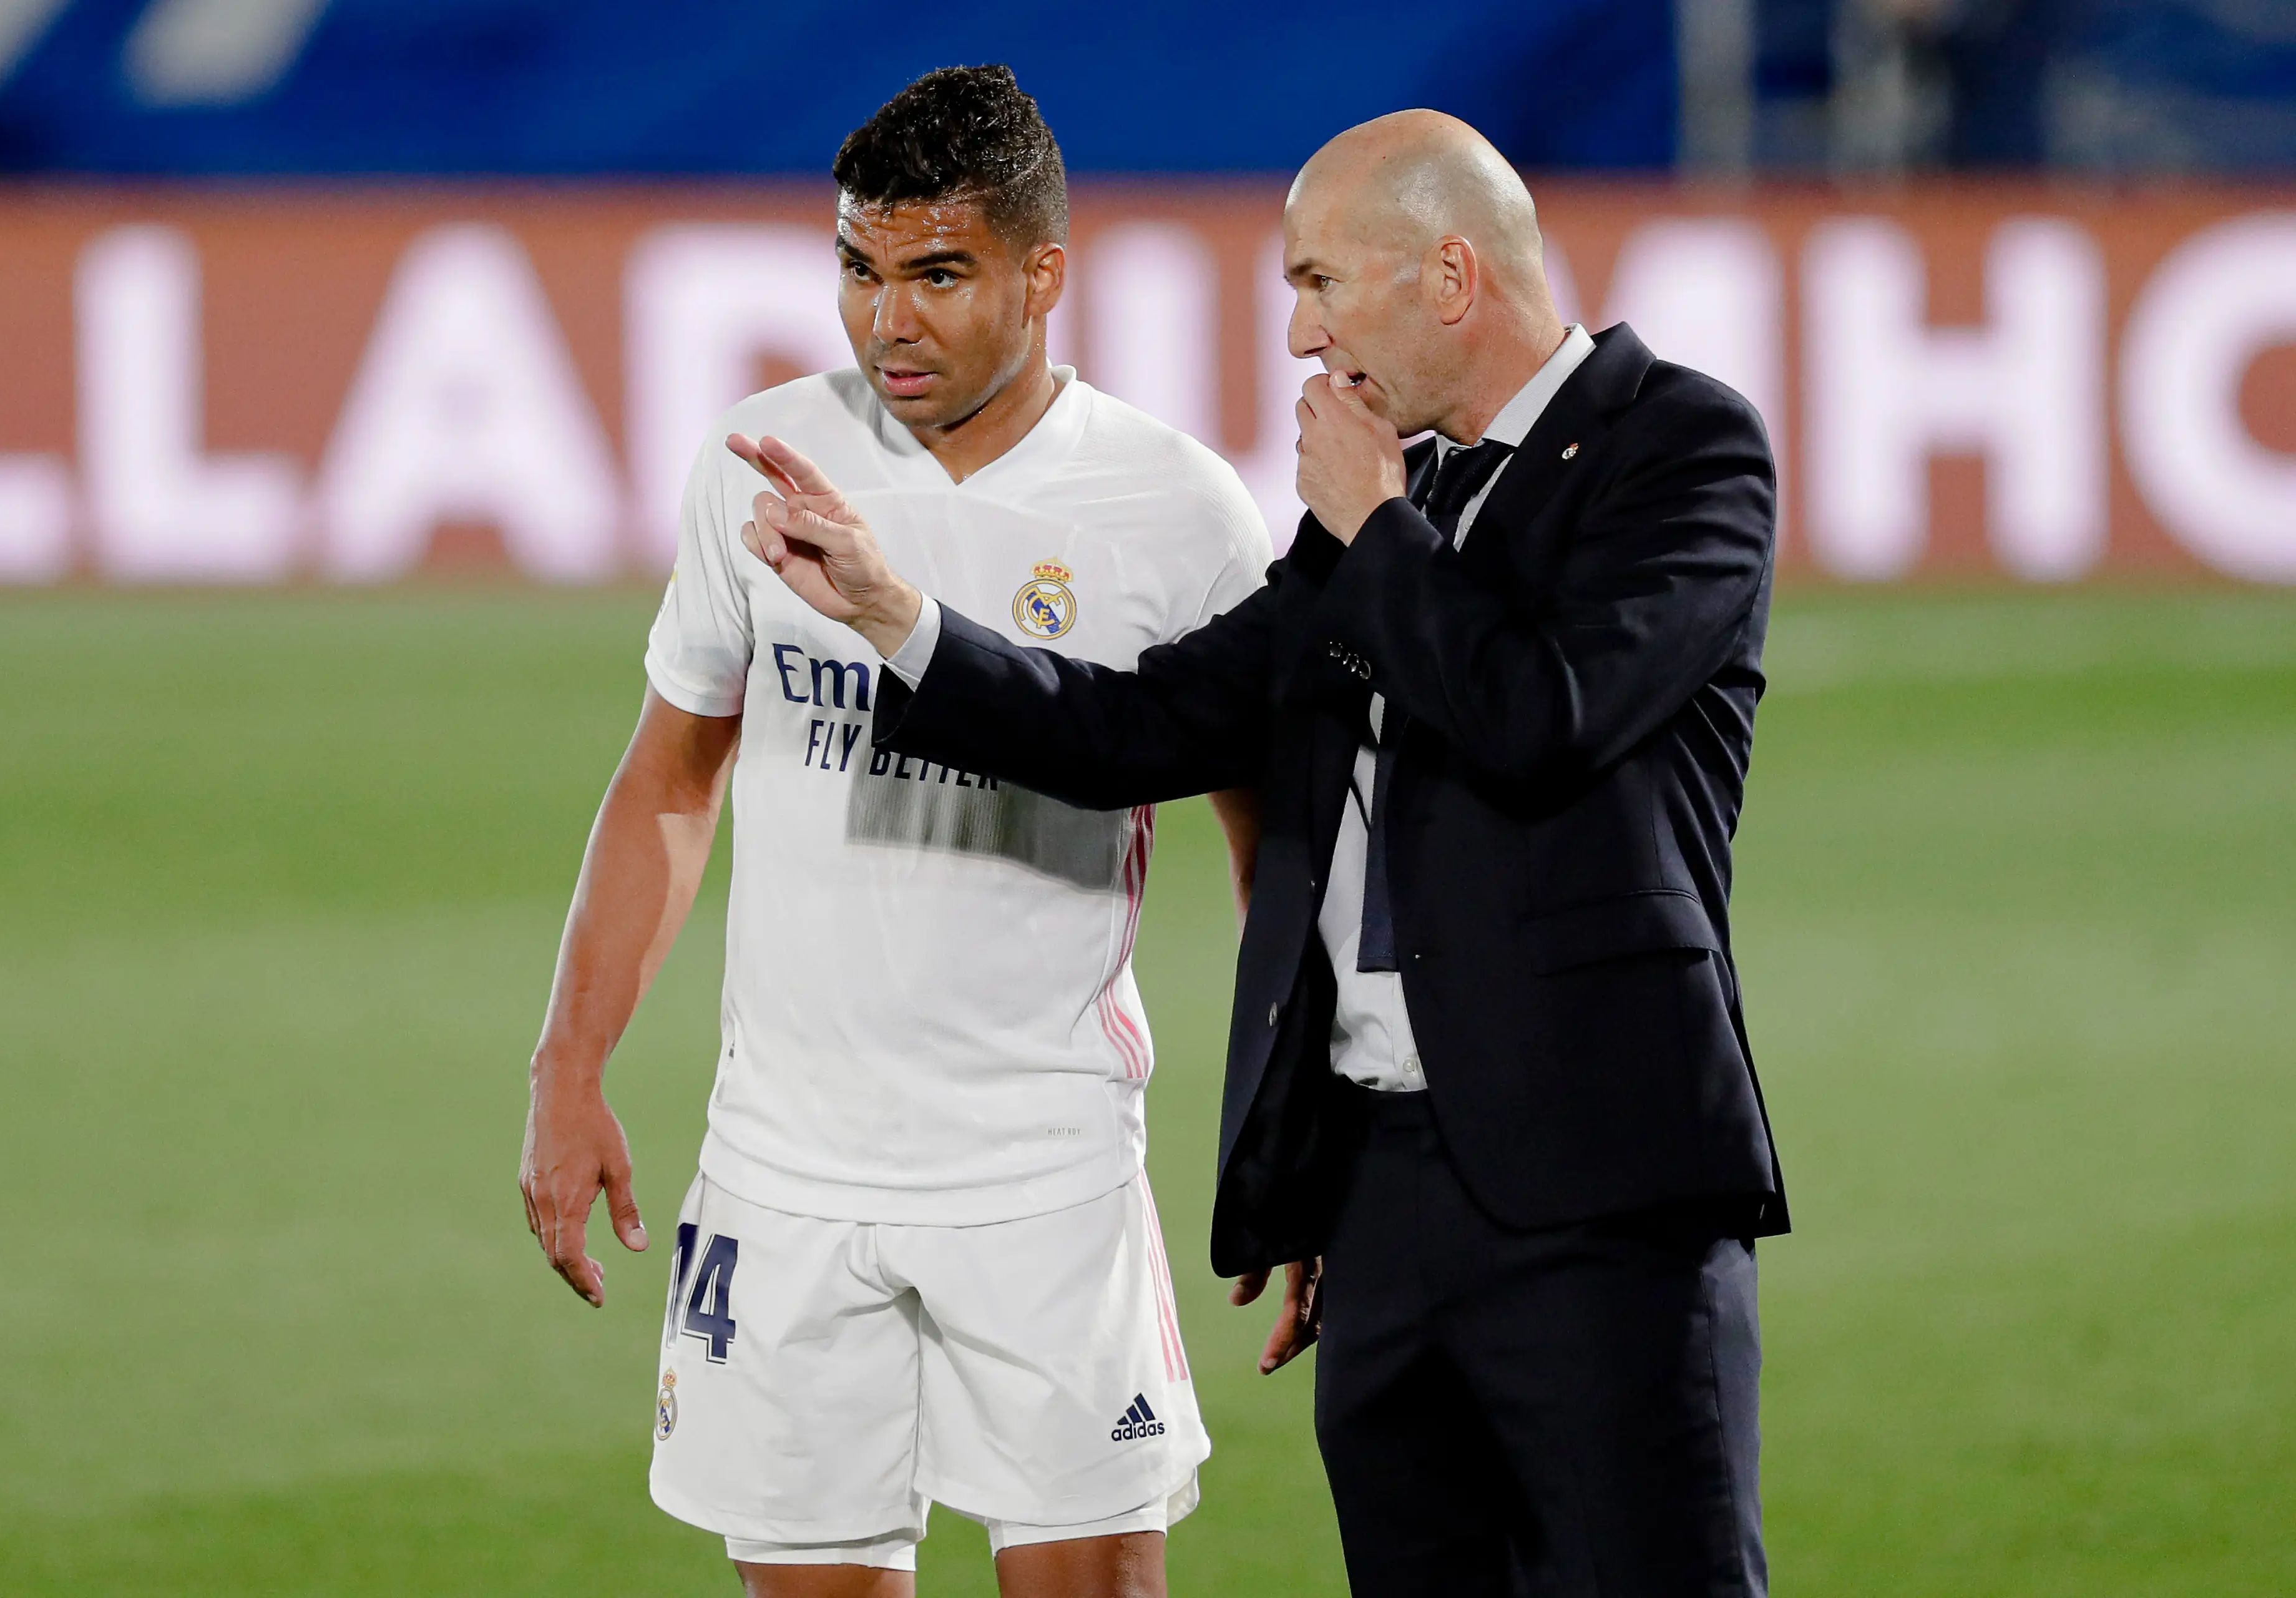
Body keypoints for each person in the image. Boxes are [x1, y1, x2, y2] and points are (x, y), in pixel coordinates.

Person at [734, 110, 1786, 1597]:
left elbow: (1542, 718)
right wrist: (899, 617)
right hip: (1382, 1202)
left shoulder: (1676, 446)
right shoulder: (1387, 510)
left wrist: (1375, 525)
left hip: (1598, 1194)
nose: (1299, 335)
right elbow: (1146, 728)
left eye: (1319, 284)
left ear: (1449, 276)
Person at [515, 66, 1271, 1598]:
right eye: (859, 270)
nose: (887, 321)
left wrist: (1297, 1150)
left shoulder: (1175, 511)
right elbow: (671, 775)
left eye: (938, 274)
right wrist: (568, 1066)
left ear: (1043, 272)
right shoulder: (762, 464)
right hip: (785, 1169)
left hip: (1044, 1164)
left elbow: (1276, 856)